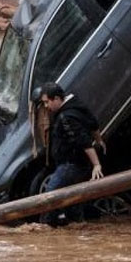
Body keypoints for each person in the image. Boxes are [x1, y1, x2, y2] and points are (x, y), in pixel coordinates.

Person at [38, 82, 106, 225]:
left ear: (56, 99)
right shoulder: (77, 105)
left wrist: (97, 165)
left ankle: (45, 232)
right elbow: (93, 124)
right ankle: (77, 229)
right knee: (73, 203)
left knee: (50, 197)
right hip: (78, 164)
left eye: (46, 102)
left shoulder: (65, 118)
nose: (46, 106)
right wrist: (99, 141)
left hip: (71, 165)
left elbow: (84, 141)